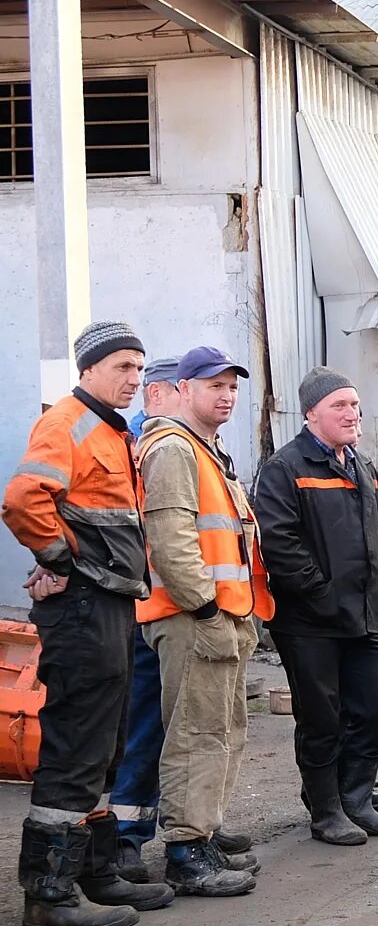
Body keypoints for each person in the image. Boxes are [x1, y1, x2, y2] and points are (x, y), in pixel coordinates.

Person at [4, 321, 174, 926]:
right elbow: (25, 500)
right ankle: (48, 896)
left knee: (106, 741)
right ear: (90, 369)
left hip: (110, 602)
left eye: (139, 367)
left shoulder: (113, 431)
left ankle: (95, 873)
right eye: (123, 367)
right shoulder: (68, 423)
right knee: (77, 745)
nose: (134, 379)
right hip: (82, 604)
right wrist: (59, 561)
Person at [135, 346, 271, 898]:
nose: (227, 395)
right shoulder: (172, 449)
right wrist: (207, 607)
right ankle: (185, 852)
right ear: (183, 389)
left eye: (233, 387)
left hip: (226, 613)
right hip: (196, 617)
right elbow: (172, 542)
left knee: (222, 731)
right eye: (214, 385)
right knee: (196, 734)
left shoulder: (207, 450)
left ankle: (203, 831)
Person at [253, 368, 378, 846]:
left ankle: (355, 797)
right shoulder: (285, 467)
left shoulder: (361, 465)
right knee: (322, 717)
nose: (352, 414)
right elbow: (278, 541)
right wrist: (320, 594)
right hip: (309, 622)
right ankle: (326, 811)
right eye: (340, 405)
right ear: (311, 413)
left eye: (355, 405)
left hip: (361, 616)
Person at [107, 358, 182, 882]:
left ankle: (184, 828)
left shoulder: (181, 447)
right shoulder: (139, 448)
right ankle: (125, 838)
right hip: (140, 612)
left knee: (175, 726)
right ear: (160, 395)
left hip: (166, 609)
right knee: (142, 726)